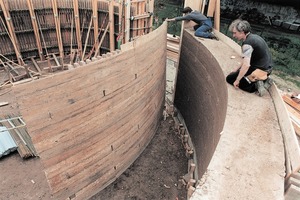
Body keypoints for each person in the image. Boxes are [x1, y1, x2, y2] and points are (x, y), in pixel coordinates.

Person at [226, 19, 273, 96]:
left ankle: (258, 84)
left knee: (230, 79)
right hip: (267, 68)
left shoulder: (247, 44)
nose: (233, 35)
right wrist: (236, 70)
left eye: (235, 33)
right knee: (237, 75)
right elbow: (246, 60)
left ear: (242, 32)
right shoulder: (253, 37)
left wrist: (237, 80)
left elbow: (246, 65)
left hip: (260, 70)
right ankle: (261, 79)